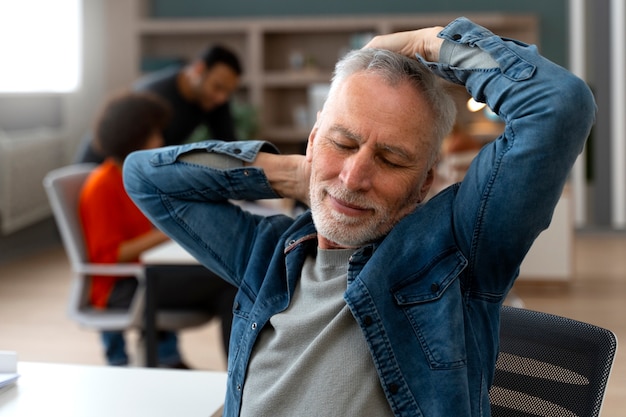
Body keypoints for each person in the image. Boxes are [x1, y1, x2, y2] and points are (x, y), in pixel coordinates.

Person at [123, 17, 595, 416]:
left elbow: (558, 104)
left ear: (424, 183)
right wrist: (288, 173)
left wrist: (422, 44)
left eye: (391, 160)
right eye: (343, 144)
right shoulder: (268, 254)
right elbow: (145, 176)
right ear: (311, 142)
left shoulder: (454, 251)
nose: (353, 178)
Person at [79, 91, 237, 368]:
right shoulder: (102, 186)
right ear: (133, 137)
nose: (160, 142)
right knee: (228, 280)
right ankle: (234, 383)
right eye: (153, 134)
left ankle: (184, 362)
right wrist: (164, 231)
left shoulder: (129, 179)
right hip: (124, 285)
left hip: (147, 273)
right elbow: (111, 255)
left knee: (229, 280)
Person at [74, 45, 242, 163]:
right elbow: (123, 146)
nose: (221, 98)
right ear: (198, 70)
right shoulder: (154, 98)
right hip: (99, 165)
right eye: (218, 87)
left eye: (228, 92)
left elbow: (228, 145)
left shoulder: (213, 100)